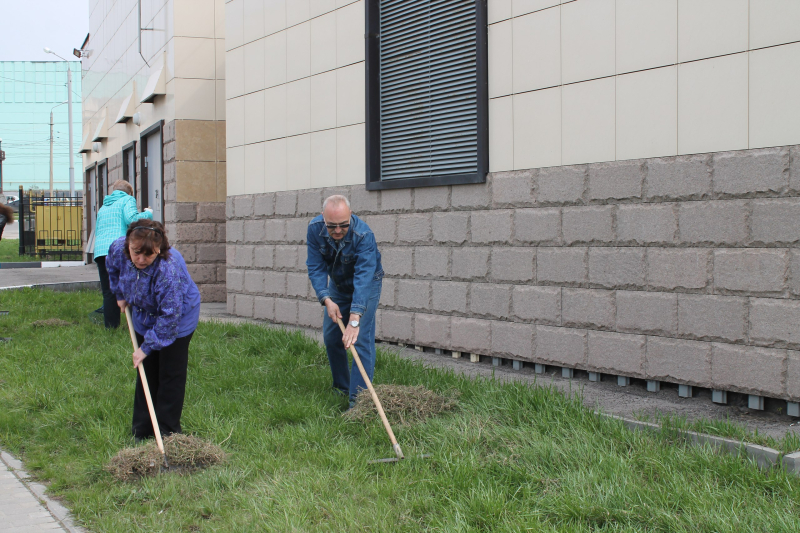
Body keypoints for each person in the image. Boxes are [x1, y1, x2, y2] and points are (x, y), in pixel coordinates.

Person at [106, 219, 201, 442]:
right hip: (143, 314)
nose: (140, 259)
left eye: (147, 255)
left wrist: (146, 348)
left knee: (170, 374)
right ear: (129, 244)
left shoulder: (168, 269)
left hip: (178, 319)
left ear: (158, 249)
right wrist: (119, 294)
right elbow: (112, 267)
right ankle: (142, 430)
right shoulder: (120, 248)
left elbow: (170, 316)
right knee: (146, 373)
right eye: (136, 252)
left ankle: (168, 433)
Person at [306, 195, 384, 408]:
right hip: (337, 285)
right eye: (332, 226)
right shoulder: (314, 229)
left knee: (359, 340)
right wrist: (326, 299)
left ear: (351, 215)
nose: (338, 231)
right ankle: (342, 387)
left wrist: (355, 318)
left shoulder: (364, 235)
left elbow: (364, 277)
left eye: (343, 225)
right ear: (323, 218)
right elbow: (315, 267)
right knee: (332, 338)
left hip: (367, 285)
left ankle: (357, 402)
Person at [93, 179, 152, 328]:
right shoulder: (127, 199)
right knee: (130, 285)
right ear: (130, 192)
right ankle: (136, 325)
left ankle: (111, 327)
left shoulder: (103, 207)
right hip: (119, 249)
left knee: (108, 291)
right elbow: (132, 219)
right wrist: (148, 214)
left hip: (100, 251)